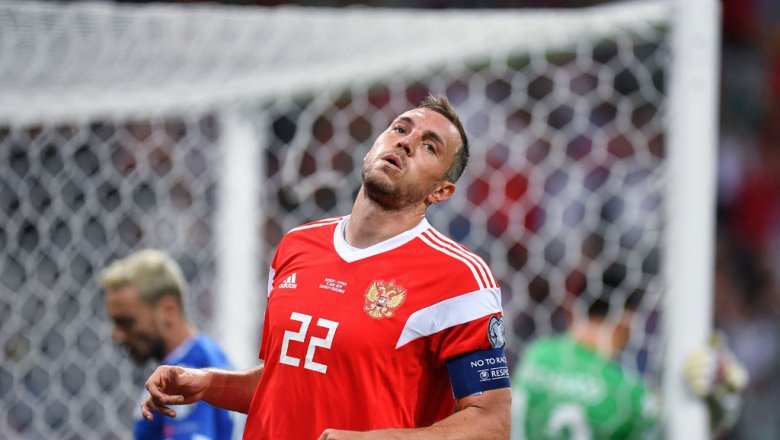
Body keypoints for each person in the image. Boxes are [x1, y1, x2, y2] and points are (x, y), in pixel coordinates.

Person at [140, 96, 511, 439]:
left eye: (430, 146)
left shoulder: (459, 277)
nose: (406, 143)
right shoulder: (297, 245)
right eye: (400, 128)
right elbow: (285, 381)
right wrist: (207, 383)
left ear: (441, 191)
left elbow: (492, 422)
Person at [510, 267, 748, 439]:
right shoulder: (630, 394)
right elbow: (680, 431)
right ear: (626, 321)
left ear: (574, 310)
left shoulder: (537, 353)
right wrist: (721, 407)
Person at [101, 249, 235, 440]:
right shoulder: (202, 356)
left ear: (168, 310)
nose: (117, 335)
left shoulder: (188, 372)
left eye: (126, 322)